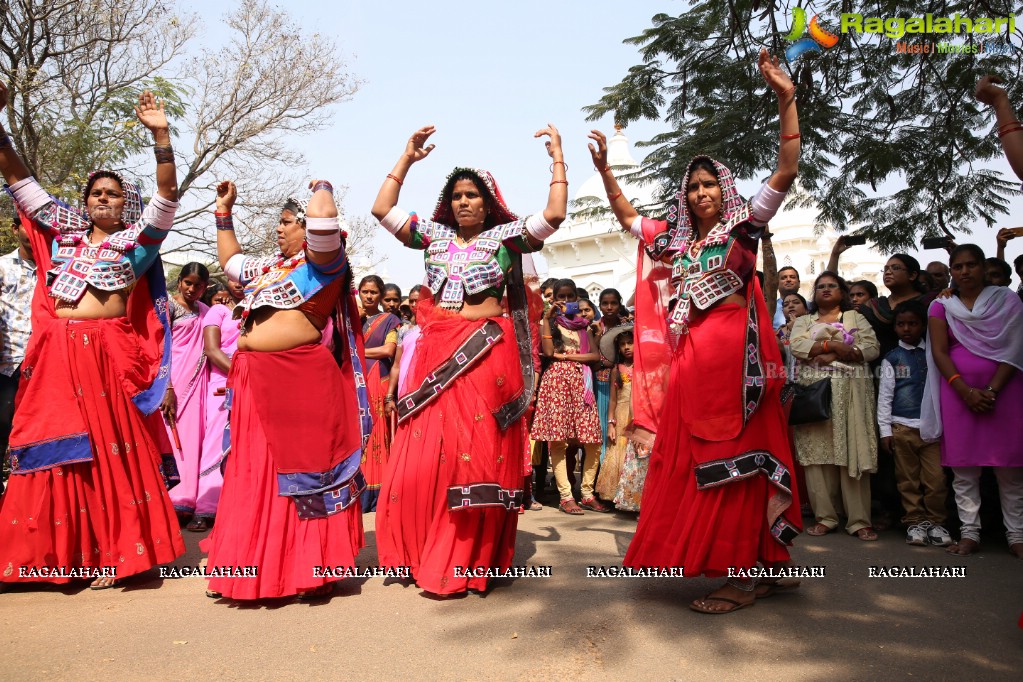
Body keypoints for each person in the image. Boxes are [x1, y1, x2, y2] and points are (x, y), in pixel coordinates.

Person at [588, 49, 802, 613]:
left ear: (723, 189)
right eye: (693, 186)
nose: (701, 193)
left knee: (738, 453)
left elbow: (785, 169)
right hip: (692, 359)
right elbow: (629, 219)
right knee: (697, 458)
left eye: (710, 184)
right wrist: (606, 171)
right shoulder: (676, 243)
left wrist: (786, 99)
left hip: (735, 357)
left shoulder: (744, 229)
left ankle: (743, 573)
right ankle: (758, 560)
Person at [0, 86, 184, 588]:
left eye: (114, 193)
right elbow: (18, 178)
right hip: (59, 354)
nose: (104, 197)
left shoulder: (136, 242)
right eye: (96, 192)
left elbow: (167, 194)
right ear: (84, 202)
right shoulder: (64, 232)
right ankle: (56, 556)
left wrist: (161, 135)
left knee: (112, 448)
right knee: (56, 445)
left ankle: (120, 554)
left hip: (109, 354)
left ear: (126, 204)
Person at [371, 123, 564, 594]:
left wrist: (557, 158)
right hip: (434, 352)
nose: (463, 202)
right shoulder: (432, 237)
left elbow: (555, 215)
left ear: (488, 202)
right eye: (457, 194)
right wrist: (407, 157)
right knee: (426, 454)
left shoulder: (506, 239)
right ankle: (419, 550)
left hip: (483, 353)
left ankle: (466, 556)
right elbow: (381, 209)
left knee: (473, 455)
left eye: (473, 195)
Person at [203, 180, 368, 600]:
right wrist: (224, 212)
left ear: (307, 229)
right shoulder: (272, 268)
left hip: (299, 381)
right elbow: (231, 260)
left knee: (301, 475)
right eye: (279, 223)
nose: (279, 229)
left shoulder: (324, 265)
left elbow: (325, 220)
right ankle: (249, 567)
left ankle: (308, 569)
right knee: (253, 472)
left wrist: (322, 187)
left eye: (287, 222)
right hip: (254, 379)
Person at [921, 244, 1023, 559]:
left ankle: (1017, 535)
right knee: (964, 469)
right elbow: (939, 351)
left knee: (1010, 468)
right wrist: (964, 390)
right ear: (952, 271)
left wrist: (992, 390)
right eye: (958, 266)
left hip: (1005, 392)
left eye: (971, 265)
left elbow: (1015, 347)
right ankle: (969, 533)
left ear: (983, 267)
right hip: (957, 394)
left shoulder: (1008, 300)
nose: (965, 272)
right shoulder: (942, 305)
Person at [790, 272, 880, 541]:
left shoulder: (856, 318)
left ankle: (859, 521)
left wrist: (835, 353)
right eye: (820, 287)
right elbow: (797, 345)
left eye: (832, 286)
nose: (826, 289)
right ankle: (825, 518)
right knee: (817, 456)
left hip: (852, 394)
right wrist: (833, 345)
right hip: (816, 396)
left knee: (853, 451)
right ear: (814, 293)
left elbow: (872, 347)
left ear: (842, 291)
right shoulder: (804, 320)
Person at [877, 300, 951, 547]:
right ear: (895, 328)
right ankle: (914, 522)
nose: (907, 329)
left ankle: (936, 522)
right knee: (907, 480)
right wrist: (885, 431)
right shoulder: (892, 359)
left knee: (936, 480)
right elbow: (885, 397)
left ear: (923, 326)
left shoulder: (934, 353)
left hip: (931, 428)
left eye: (913, 323)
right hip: (901, 428)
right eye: (901, 324)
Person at [532, 278, 607, 514]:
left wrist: (566, 357)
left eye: (569, 297)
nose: (565, 301)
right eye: (560, 297)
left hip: (581, 384)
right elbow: (548, 352)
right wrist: (546, 318)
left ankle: (586, 493)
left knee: (593, 441)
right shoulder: (549, 323)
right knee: (558, 441)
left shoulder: (585, 325)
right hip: (557, 383)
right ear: (554, 299)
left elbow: (595, 356)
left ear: (576, 298)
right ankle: (566, 496)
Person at [192, 277, 245, 532]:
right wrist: (240, 376)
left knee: (246, 445)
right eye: (235, 280)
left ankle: (238, 507)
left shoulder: (260, 308)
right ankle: (205, 508)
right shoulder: (219, 310)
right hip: (223, 383)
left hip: (253, 384)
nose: (240, 285)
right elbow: (212, 350)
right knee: (214, 443)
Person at [165, 262, 211, 527]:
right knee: (171, 438)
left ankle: (187, 500)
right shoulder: (168, 307)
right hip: (172, 383)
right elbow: (160, 348)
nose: (193, 289)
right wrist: (167, 388)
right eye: (188, 283)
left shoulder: (205, 312)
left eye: (199, 285)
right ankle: (169, 499)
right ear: (180, 281)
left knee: (194, 439)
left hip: (198, 384)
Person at [357, 274, 401, 512]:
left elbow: (388, 349)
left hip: (377, 380)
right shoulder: (353, 317)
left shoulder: (389, 319)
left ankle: (376, 495)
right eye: (365, 292)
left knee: (375, 435)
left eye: (373, 292)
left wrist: (358, 351)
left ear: (381, 295)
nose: (369, 296)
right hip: (355, 381)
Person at [0, 217, 35, 486]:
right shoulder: (2, 266)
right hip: (6, 363)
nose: (33, 232)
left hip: (42, 367)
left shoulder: (55, 270)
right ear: (15, 228)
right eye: (27, 224)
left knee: (33, 438)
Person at [595, 325, 634, 503]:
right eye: (623, 344)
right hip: (621, 414)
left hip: (638, 414)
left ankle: (633, 496)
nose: (626, 347)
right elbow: (612, 399)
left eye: (630, 343)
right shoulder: (616, 370)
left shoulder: (644, 366)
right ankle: (616, 495)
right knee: (619, 451)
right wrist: (611, 422)